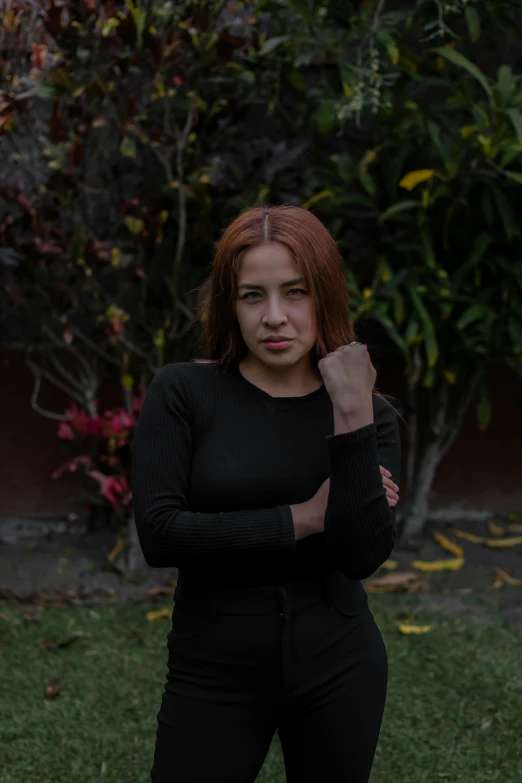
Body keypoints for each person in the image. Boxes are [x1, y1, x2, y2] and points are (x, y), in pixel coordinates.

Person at [131, 204, 401, 783]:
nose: (274, 317)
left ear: (324, 295)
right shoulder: (183, 393)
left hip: (340, 663)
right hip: (212, 667)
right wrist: (306, 517)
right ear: (231, 305)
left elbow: (361, 556)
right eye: (253, 295)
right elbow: (160, 533)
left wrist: (352, 412)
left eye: (295, 292)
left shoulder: (366, 415)